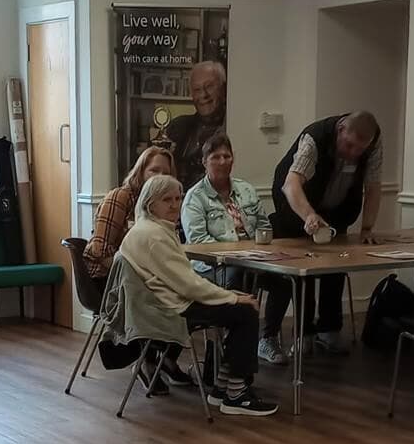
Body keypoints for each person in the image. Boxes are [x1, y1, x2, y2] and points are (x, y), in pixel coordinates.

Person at [120, 174, 278, 416]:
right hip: (169, 309)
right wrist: (232, 297)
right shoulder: (155, 236)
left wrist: (226, 295)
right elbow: (188, 285)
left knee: (239, 308)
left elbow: (185, 282)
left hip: (158, 304)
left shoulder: (147, 228)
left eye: (177, 198)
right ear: (151, 204)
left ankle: (222, 388)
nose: (175, 204)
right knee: (245, 311)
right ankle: (236, 395)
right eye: (167, 199)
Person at [264, 111, 382, 354]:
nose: (352, 153)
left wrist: (367, 227)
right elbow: (291, 184)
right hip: (296, 203)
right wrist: (308, 215)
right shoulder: (314, 138)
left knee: (335, 262)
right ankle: (303, 333)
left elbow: (373, 186)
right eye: (348, 145)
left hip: (337, 208)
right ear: (340, 130)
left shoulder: (374, 144)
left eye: (359, 149)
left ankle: (329, 331)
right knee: (303, 267)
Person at [181, 132, 294, 365]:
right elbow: (198, 242)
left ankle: (267, 339)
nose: (223, 161)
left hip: (253, 260)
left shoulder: (246, 189)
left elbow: (264, 225)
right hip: (210, 266)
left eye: (227, 156)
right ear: (204, 161)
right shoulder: (195, 197)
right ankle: (232, 347)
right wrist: (237, 252)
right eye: (216, 157)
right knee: (236, 276)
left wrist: (261, 246)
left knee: (283, 281)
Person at [83, 146, 174, 282]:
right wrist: (139, 273)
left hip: (143, 273)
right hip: (107, 276)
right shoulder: (121, 196)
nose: (160, 177)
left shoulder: (158, 204)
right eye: (154, 171)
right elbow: (99, 250)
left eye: (166, 173)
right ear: (141, 172)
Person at [161, 60, 227, 189]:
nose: (203, 95)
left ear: (223, 89)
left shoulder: (233, 125)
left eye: (209, 86)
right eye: (197, 89)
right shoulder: (177, 127)